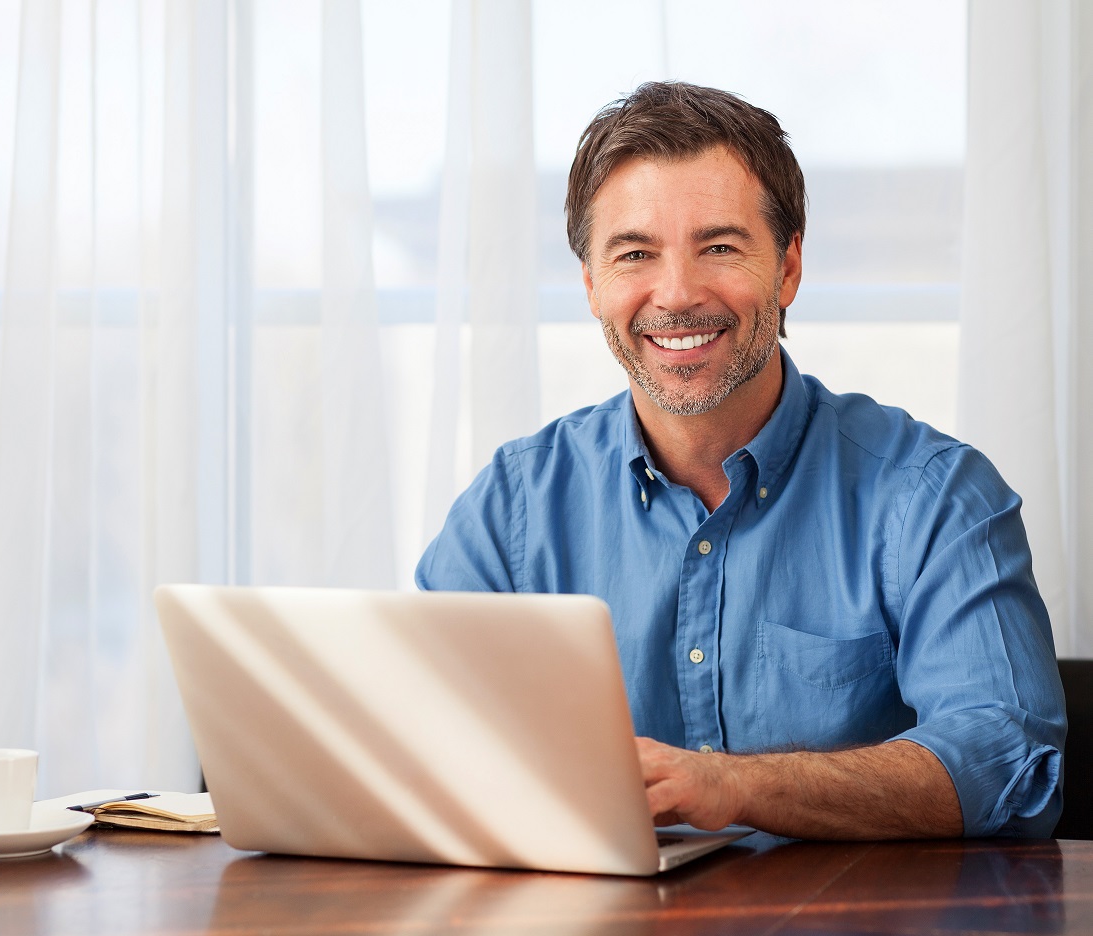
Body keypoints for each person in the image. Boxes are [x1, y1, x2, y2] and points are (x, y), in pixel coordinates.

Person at [416, 81, 1066, 840]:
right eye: (634, 253)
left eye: (718, 247)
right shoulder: (511, 508)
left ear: (787, 268)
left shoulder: (935, 499)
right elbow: (414, 737)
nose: (677, 293)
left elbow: (1010, 767)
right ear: (591, 285)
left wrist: (731, 788)